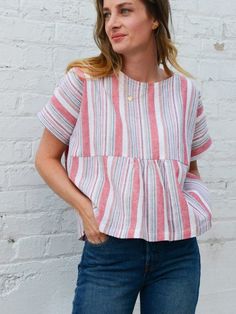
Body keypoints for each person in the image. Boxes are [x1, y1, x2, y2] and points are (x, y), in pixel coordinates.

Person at [35, 0, 213, 313]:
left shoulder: (186, 93)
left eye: (125, 10)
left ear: (155, 18)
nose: (112, 22)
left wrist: (194, 207)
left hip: (178, 253)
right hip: (111, 251)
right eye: (107, 14)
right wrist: (87, 212)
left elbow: (190, 168)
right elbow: (46, 158)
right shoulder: (84, 83)